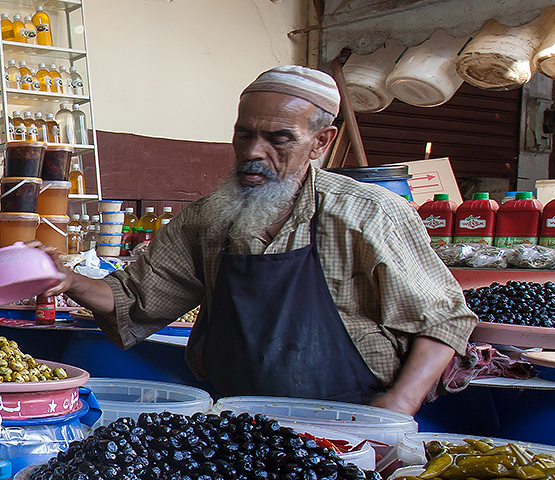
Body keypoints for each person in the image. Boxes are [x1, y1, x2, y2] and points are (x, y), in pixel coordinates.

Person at [52, 65, 474, 412]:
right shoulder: (209, 219)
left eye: (279, 139)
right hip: (236, 413)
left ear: (320, 142)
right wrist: (67, 280)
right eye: (244, 134)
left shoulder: (367, 214)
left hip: (349, 417)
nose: (254, 151)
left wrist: (398, 404)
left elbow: (444, 320)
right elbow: (137, 298)